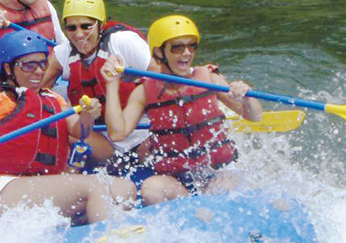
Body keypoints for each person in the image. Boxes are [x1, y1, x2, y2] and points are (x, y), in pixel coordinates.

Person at [0, 30, 137, 224]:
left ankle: (104, 238)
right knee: (94, 185)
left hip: (37, 189)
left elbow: (80, 131)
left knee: (123, 188)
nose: (38, 71)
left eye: (43, 64)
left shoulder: (52, 99)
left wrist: (88, 117)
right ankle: (109, 242)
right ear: (8, 68)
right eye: (28, 65)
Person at [100, 15, 263, 204]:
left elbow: (255, 116)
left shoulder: (209, 79)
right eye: (177, 47)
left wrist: (247, 98)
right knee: (151, 189)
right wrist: (112, 85)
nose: (186, 53)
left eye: (191, 46)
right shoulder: (144, 91)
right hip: (178, 178)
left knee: (218, 191)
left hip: (220, 171)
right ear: (159, 52)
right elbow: (117, 133)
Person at [39, 0, 153, 168]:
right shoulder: (64, 53)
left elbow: (164, 80)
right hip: (105, 143)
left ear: (100, 25)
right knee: (61, 128)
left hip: (140, 133)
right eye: (71, 28)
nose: (78, 34)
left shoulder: (123, 42)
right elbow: (35, 88)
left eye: (86, 26)